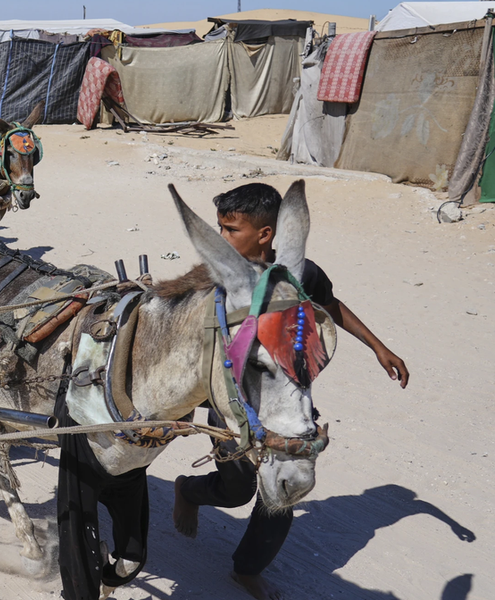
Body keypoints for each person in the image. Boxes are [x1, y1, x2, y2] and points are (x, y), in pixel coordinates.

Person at [172, 183, 411, 600]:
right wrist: (181, 412)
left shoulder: (301, 275)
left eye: (231, 230)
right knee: (236, 490)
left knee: (280, 493)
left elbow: (331, 305)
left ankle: (247, 569)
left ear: (265, 234)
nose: (222, 239)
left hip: (286, 402)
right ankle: (188, 490)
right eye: (220, 229)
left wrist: (378, 346)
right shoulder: (216, 282)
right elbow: (188, 351)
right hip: (230, 405)